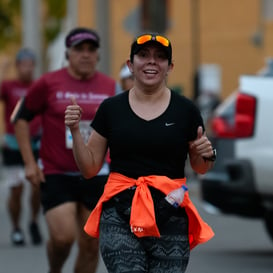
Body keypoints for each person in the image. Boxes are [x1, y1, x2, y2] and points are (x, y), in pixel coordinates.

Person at [65, 32, 215, 273]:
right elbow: (90, 168)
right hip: (119, 212)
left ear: (170, 67)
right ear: (130, 65)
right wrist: (74, 130)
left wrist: (208, 153)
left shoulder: (186, 110)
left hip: (171, 213)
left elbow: (201, 166)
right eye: (143, 55)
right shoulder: (111, 108)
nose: (152, 61)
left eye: (160, 57)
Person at [12, 27, 117, 273]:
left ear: (98, 55)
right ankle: (55, 269)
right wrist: (29, 163)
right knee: (63, 238)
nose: (85, 54)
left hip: (97, 172)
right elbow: (20, 118)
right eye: (79, 49)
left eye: (91, 49)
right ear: (68, 53)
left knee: (91, 245)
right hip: (57, 171)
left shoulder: (109, 86)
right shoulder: (48, 83)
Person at [0, 48, 42, 246]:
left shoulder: (39, 86)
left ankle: (33, 221)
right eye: (23, 64)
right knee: (16, 190)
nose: (27, 68)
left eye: (30, 64)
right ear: (17, 66)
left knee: (37, 188)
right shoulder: (8, 86)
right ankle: (16, 228)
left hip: (36, 142)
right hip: (12, 144)